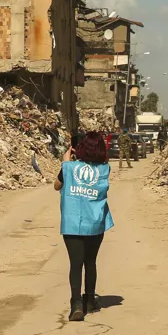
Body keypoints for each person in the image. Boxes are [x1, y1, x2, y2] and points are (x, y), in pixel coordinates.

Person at [55, 131, 113, 321]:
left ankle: (76, 303)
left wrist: (65, 162)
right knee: (90, 262)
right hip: (95, 223)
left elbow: (57, 186)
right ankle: (89, 300)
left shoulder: (69, 168)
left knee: (75, 264)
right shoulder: (104, 169)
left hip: (72, 223)